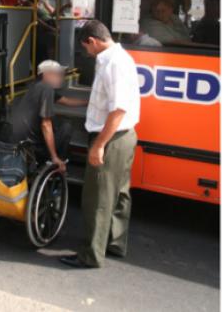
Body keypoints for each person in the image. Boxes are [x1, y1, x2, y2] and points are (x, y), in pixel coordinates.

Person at [60, 20, 140, 269]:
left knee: (97, 199)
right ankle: (114, 242)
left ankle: (90, 255)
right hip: (123, 136)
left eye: (86, 47)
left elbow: (118, 109)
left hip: (112, 138)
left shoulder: (113, 64)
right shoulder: (115, 58)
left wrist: (99, 145)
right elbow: (106, 100)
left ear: (93, 41)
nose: (86, 52)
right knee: (119, 193)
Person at [10, 60, 87, 172]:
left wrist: (88, 102)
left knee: (61, 123)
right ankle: (58, 163)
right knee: (66, 126)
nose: (61, 77)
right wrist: (54, 156)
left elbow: (66, 100)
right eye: (57, 74)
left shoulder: (38, 85)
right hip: (33, 146)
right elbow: (46, 124)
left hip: (22, 141)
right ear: (47, 75)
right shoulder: (47, 89)